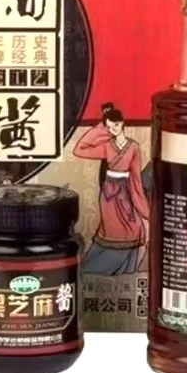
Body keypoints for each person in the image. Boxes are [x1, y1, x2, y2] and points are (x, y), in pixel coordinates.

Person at [73, 102, 149, 275]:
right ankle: (95, 268)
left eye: (114, 125)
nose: (112, 129)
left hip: (126, 192)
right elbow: (79, 149)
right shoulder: (107, 146)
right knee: (113, 231)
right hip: (109, 195)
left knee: (135, 228)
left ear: (121, 123)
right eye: (108, 127)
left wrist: (144, 209)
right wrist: (101, 126)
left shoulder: (134, 147)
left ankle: (123, 272)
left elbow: (136, 178)